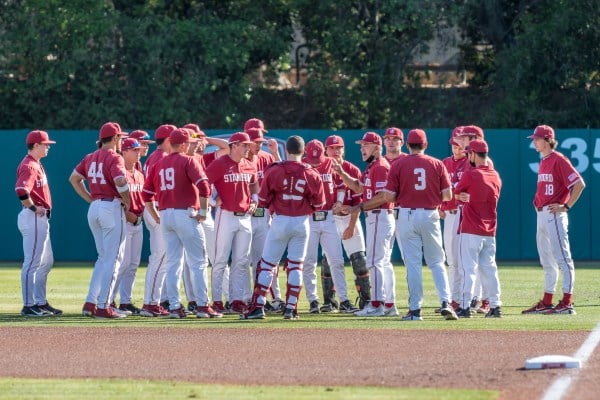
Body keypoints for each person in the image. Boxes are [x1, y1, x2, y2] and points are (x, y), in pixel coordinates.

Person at [359, 129, 458, 321]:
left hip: (406, 214)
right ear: (425, 145)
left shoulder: (398, 164)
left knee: (413, 264)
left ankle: (415, 310)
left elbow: (389, 196)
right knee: (437, 262)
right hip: (430, 214)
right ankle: (446, 302)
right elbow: (448, 196)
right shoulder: (437, 163)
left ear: (407, 145)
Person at [241, 135, 325, 320]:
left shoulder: (274, 171)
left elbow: (262, 200)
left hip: (280, 220)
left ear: (286, 150)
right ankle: (290, 308)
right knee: (296, 266)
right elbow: (319, 205)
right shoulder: (312, 173)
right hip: (302, 222)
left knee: (268, 264)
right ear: (303, 152)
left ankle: (258, 306)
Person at [143, 128, 221, 318]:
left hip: (166, 215)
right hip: (185, 214)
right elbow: (204, 187)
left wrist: (156, 216)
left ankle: (175, 307)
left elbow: (146, 195)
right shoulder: (188, 160)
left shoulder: (159, 164)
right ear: (184, 144)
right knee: (199, 262)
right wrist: (203, 212)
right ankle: (203, 306)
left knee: (173, 263)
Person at [69, 122, 130, 319]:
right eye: (120, 137)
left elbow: (74, 179)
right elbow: (120, 182)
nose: (121, 141)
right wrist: (128, 203)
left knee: (103, 258)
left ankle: (91, 302)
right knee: (114, 258)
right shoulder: (114, 156)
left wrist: (90, 199)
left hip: (95, 206)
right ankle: (104, 306)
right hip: (111, 207)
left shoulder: (90, 157)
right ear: (114, 139)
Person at [522, 125, 585, 315]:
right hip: (542, 214)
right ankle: (547, 301)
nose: (534, 141)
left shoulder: (558, 160)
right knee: (547, 261)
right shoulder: (544, 160)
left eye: (537, 139)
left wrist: (566, 206)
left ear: (547, 140)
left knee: (563, 259)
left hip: (554, 215)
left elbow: (579, 184)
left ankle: (567, 302)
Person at [333, 132, 395, 317]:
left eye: (366, 145)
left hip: (379, 215)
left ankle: (377, 304)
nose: (362, 148)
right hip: (378, 216)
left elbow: (383, 196)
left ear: (377, 147)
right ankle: (389, 305)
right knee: (382, 263)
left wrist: (358, 207)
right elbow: (359, 188)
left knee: (375, 262)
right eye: (361, 145)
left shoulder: (381, 167)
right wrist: (342, 173)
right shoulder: (372, 168)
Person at [302, 139, 358, 314]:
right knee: (309, 262)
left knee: (337, 260)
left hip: (328, 217)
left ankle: (344, 300)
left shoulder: (330, 163)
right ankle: (313, 301)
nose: (315, 163)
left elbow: (341, 186)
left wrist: (339, 202)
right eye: (312, 159)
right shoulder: (302, 165)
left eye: (317, 159)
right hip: (309, 218)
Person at [205, 132, 258, 315]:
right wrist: (212, 202)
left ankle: (236, 300)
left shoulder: (249, 164)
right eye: (244, 145)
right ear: (234, 145)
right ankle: (218, 301)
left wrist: (255, 200)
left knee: (241, 261)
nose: (247, 148)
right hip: (225, 215)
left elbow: (254, 185)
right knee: (220, 259)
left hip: (245, 217)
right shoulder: (220, 163)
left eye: (247, 145)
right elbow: (203, 183)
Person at [454, 139, 503, 318]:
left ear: (474, 154)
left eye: (468, 154)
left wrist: (461, 195)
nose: (467, 157)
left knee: (468, 269)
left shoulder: (471, 174)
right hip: (489, 230)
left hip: (470, 229)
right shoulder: (496, 176)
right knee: (490, 269)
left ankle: (465, 306)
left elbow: (455, 193)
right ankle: (496, 306)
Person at [15, 130, 61, 317]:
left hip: (40, 219)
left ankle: (40, 302)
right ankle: (28, 305)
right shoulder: (29, 165)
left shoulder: (36, 164)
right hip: (33, 217)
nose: (48, 147)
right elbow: (20, 190)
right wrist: (34, 208)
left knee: (46, 262)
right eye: (45, 144)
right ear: (35, 145)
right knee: (33, 262)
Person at [324, 135, 371, 309]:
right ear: (325, 150)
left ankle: (366, 300)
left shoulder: (353, 170)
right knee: (328, 262)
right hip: (330, 220)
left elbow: (359, 203)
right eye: (332, 148)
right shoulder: (322, 169)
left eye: (339, 148)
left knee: (359, 260)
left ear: (343, 150)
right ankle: (329, 302)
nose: (336, 151)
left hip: (350, 218)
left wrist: (351, 226)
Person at [244, 121, 284, 313]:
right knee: (243, 259)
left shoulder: (267, 158)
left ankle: (274, 298)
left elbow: (285, 171)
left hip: (264, 214)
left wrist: (275, 153)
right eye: (255, 141)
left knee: (267, 259)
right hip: (244, 215)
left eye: (260, 141)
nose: (258, 144)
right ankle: (246, 298)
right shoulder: (238, 159)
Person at [139, 124, 176, 317]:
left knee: (163, 258)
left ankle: (156, 301)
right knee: (160, 257)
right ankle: (150, 303)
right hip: (156, 209)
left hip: (154, 208)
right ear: (169, 140)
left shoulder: (155, 156)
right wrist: (156, 214)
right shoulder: (161, 157)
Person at [111, 138, 145, 315]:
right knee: (121, 264)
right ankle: (109, 300)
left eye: (139, 150)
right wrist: (127, 214)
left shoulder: (139, 173)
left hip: (138, 221)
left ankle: (125, 301)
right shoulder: (119, 172)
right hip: (123, 221)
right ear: (124, 152)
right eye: (134, 150)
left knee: (132, 264)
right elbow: (117, 199)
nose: (138, 152)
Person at [439, 130, 468, 311]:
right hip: (449, 214)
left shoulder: (470, 163)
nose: (455, 147)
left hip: (463, 212)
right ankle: (452, 299)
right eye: (453, 143)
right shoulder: (445, 163)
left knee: (466, 259)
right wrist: (439, 206)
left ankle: (473, 298)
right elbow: (438, 188)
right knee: (451, 258)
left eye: (458, 143)